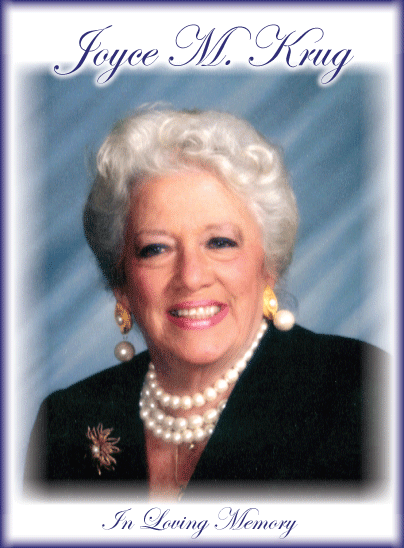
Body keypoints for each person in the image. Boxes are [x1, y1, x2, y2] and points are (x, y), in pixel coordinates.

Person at [24, 108, 383, 500]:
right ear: (121, 284)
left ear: (269, 266)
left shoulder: (361, 391)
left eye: (220, 242)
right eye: (156, 249)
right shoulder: (65, 424)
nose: (191, 276)